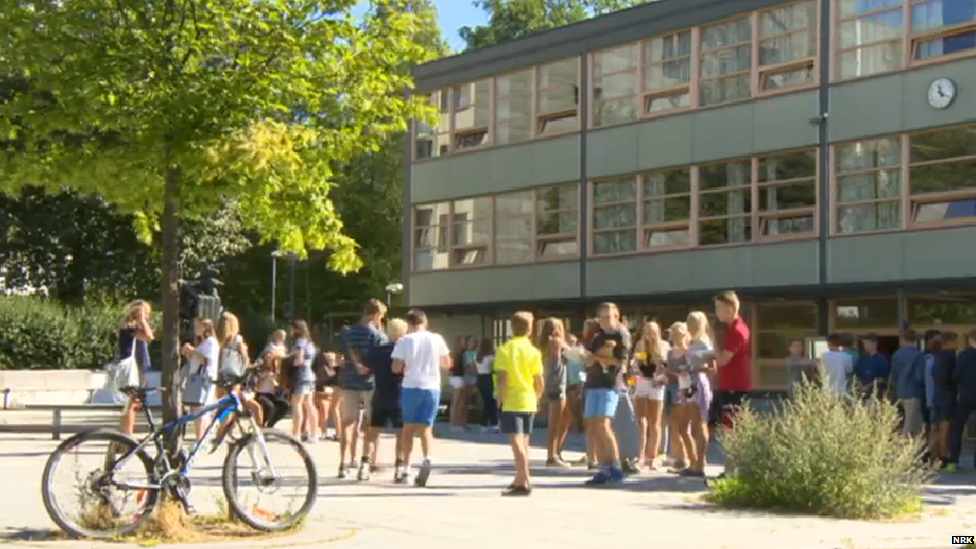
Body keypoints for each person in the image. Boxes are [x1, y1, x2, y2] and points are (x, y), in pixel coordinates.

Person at [392, 309, 451, 486]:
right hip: (432, 386)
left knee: (408, 429)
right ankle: (427, 458)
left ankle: (406, 469)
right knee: (426, 428)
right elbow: (447, 364)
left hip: (411, 386)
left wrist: (407, 365)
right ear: (425, 322)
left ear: (409, 324)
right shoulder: (436, 338)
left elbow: (395, 367)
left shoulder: (404, 340)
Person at [496, 311, 545, 496]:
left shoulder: (505, 349)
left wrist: (499, 399)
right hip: (529, 398)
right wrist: (537, 397)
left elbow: (502, 379)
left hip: (512, 400)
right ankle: (520, 478)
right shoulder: (534, 351)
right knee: (525, 441)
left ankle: (524, 479)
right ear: (530, 329)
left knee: (515, 440)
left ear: (512, 327)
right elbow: (539, 379)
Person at [338, 299, 388, 478]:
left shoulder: (348, 332)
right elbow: (381, 358)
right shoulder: (378, 335)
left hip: (349, 380)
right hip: (369, 382)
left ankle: (343, 463)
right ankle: (365, 464)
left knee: (348, 421)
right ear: (376, 315)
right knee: (370, 422)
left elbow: (341, 357)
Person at [583, 303, 631, 486]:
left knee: (603, 425)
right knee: (593, 427)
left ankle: (616, 467)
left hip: (609, 384)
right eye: (601, 317)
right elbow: (589, 360)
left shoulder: (621, 334)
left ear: (617, 316)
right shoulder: (598, 336)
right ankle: (604, 469)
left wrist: (598, 357)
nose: (604, 321)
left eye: (608, 317)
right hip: (593, 383)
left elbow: (619, 361)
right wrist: (590, 357)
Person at [362, 319, 409, 482]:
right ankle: (399, 466)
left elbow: (365, 369)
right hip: (398, 395)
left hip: (380, 394)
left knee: (372, 432)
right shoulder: (404, 351)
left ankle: (364, 464)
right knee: (401, 434)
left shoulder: (377, 351)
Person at [633, 320, 668, 470]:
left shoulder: (664, 345)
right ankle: (640, 455)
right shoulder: (640, 345)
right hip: (642, 382)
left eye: (653, 331)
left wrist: (660, 375)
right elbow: (636, 363)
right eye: (647, 330)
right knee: (641, 421)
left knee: (655, 422)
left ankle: (652, 456)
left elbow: (666, 365)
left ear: (658, 331)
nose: (650, 334)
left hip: (657, 384)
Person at [683, 311, 715, 477]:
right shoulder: (691, 342)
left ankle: (701, 463)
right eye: (689, 323)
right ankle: (694, 462)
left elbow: (713, 368)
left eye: (695, 323)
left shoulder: (704, 343)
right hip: (688, 382)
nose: (691, 326)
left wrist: (695, 369)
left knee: (701, 422)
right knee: (693, 424)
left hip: (700, 382)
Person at [117, 300, 154, 436]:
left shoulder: (131, 326)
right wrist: (142, 319)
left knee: (133, 402)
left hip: (138, 367)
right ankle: (127, 433)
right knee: (131, 402)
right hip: (131, 368)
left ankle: (125, 432)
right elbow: (150, 336)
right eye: (144, 313)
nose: (146, 317)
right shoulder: (128, 326)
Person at [180, 318, 219, 445]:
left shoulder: (211, 342)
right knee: (195, 408)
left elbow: (207, 361)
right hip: (196, 377)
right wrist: (189, 353)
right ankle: (201, 436)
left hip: (204, 379)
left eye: (198, 326)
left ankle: (200, 438)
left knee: (201, 408)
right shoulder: (202, 343)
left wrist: (192, 351)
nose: (195, 329)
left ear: (206, 327)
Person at [540, 317, 571, 468]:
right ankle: (552, 456)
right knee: (556, 423)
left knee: (565, 419)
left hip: (552, 385)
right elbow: (555, 365)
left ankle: (556, 452)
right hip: (558, 385)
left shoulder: (544, 344)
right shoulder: (556, 342)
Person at [947, 328, 976, 472]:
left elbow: (956, 376)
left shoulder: (964, 355)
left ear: (971, 340)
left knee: (957, 428)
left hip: (966, 395)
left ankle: (953, 461)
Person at [288, 320, 319, 444]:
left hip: (301, 375)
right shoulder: (310, 343)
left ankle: (296, 434)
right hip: (310, 375)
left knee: (297, 404)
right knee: (309, 404)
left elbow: (299, 360)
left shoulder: (300, 342)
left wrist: (291, 361)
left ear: (297, 329)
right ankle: (313, 434)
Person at [891, 329, 924, 438]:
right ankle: (904, 446)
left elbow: (894, 375)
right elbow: (920, 375)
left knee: (916, 421)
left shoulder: (896, 354)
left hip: (901, 391)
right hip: (914, 392)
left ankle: (917, 448)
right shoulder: (918, 355)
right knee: (910, 422)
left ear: (902, 339)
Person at [254, 330, 289, 428]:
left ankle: (270, 425)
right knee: (269, 406)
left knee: (285, 405)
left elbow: (277, 386)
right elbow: (256, 386)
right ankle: (262, 425)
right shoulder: (261, 370)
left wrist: (277, 381)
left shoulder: (275, 372)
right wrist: (264, 377)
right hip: (261, 394)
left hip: (271, 394)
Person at [932, 331, 957, 466]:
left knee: (936, 425)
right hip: (947, 394)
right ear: (949, 342)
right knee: (945, 425)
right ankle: (942, 455)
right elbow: (953, 376)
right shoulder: (950, 357)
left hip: (937, 393)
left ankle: (933, 454)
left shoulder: (937, 357)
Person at [922, 329, 942, 461]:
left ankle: (930, 452)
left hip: (930, 396)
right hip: (930, 397)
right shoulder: (927, 358)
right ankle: (929, 453)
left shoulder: (933, 357)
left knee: (933, 425)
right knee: (932, 426)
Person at [474, 338, 499, 433]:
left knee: (486, 401)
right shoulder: (490, 357)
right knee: (491, 401)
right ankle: (491, 423)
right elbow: (493, 368)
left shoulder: (477, 356)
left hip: (480, 378)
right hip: (488, 378)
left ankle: (489, 423)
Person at [854, 334, 889, 400]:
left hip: (876, 394)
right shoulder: (862, 358)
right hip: (861, 394)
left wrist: (868, 386)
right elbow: (856, 375)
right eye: (864, 344)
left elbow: (883, 378)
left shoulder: (882, 359)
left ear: (874, 344)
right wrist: (861, 386)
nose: (865, 346)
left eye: (867, 343)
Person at [315, 351, 340, 441]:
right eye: (329, 359)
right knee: (324, 407)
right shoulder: (322, 369)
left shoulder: (338, 369)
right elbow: (319, 384)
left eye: (332, 359)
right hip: (324, 394)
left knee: (337, 409)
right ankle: (324, 432)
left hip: (334, 393)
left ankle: (338, 433)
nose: (331, 361)